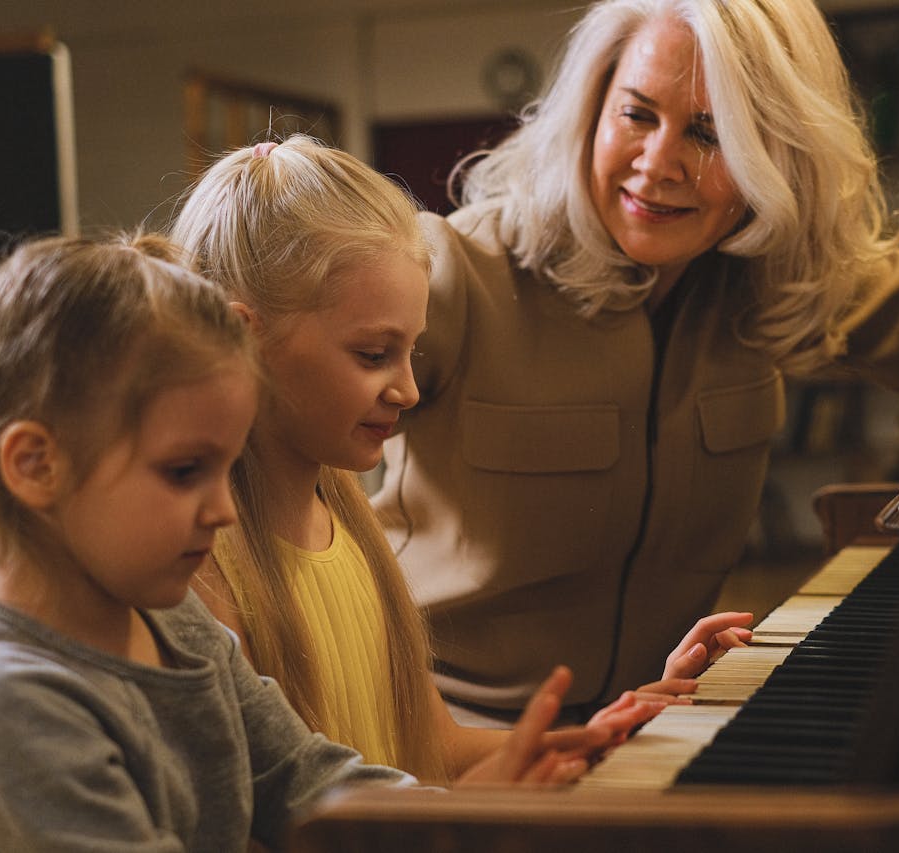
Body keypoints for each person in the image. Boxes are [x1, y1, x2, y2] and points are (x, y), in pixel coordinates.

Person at [369, 0, 899, 725]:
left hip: (655, 720)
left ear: (776, 155)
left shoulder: (775, 275)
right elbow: (276, 450)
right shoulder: (451, 269)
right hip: (448, 729)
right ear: (592, 109)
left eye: (709, 132)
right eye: (636, 115)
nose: (658, 164)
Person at [0, 233, 609, 852]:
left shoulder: (168, 617)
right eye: (184, 470)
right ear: (37, 465)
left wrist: (452, 813)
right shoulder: (2, 698)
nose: (224, 509)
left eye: (227, 468)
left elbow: (309, 780)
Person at [168, 134, 683, 784]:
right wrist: (475, 806)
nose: (409, 389)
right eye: (373, 354)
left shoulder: (356, 531)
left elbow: (431, 748)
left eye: (412, 352)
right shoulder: (200, 571)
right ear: (245, 338)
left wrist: (607, 733)